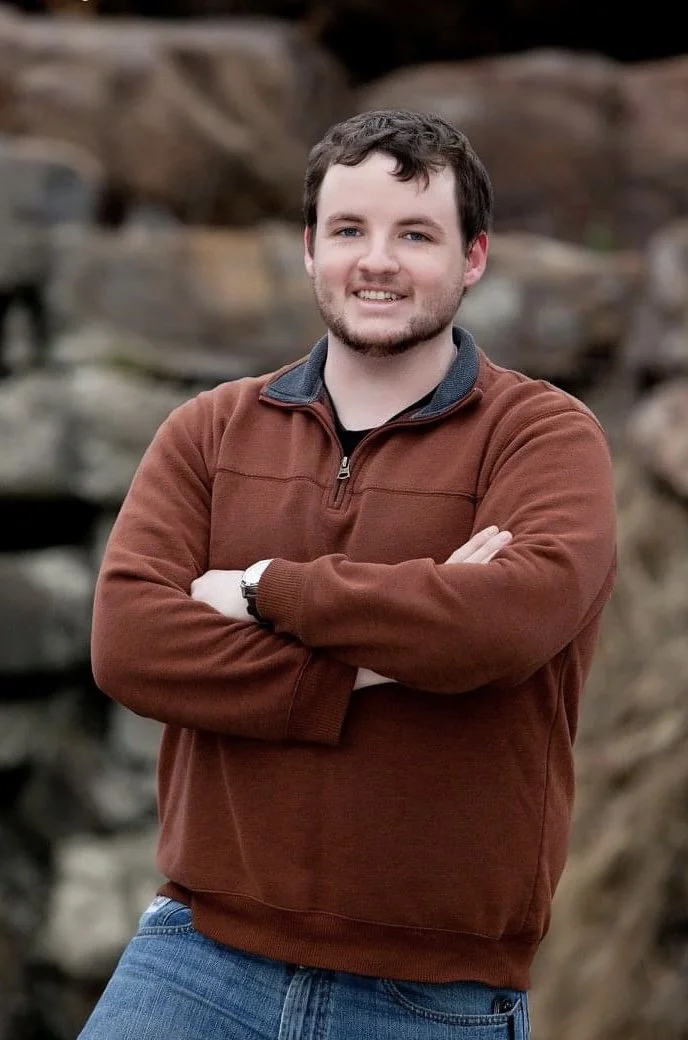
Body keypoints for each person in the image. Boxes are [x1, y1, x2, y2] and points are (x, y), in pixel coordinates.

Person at [80, 108, 616, 1040]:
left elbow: (504, 623)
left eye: (415, 235)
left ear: (473, 257)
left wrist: (262, 591)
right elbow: (131, 645)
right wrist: (387, 655)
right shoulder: (209, 431)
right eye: (348, 231)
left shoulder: (542, 438)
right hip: (198, 957)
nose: (377, 262)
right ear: (309, 249)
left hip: (432, 995)